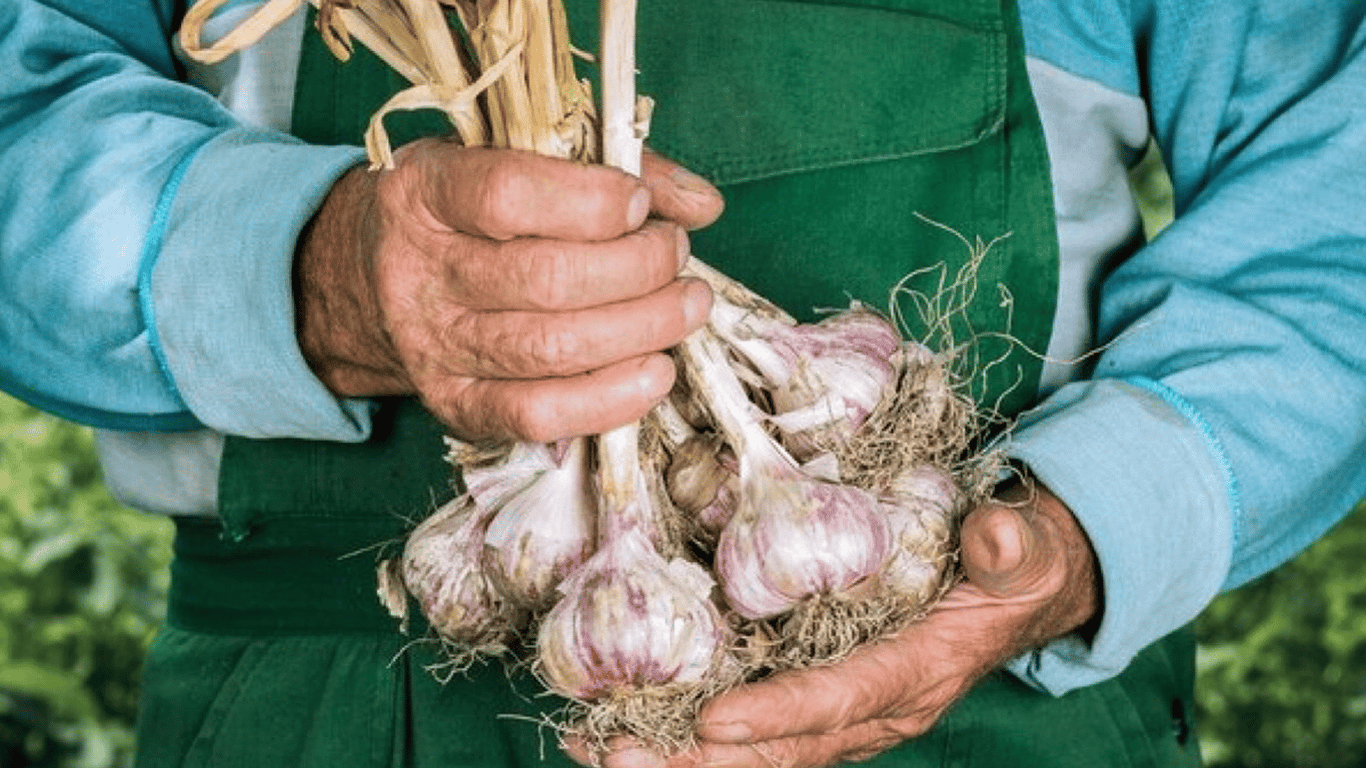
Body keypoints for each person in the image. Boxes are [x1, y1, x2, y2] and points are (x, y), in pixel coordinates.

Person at [1, 1, 1364, 766]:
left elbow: (1337, 192)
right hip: (329, 710)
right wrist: (306, 270)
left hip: (996, 711)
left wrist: (1084, 531)